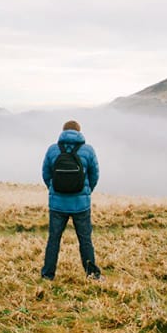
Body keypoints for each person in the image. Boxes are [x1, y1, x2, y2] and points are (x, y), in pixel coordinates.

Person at [40, 120, 102, 281]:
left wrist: (54, 190)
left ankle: (47, 275)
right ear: (79, 132)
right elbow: (94, 175)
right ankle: (92, 275)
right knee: (85, 240)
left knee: (53, 239)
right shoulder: (88, 150)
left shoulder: (53, 150)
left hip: (57, 205)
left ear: (63, 131)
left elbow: (46, 174)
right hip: (81, 205)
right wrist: (86, 191)